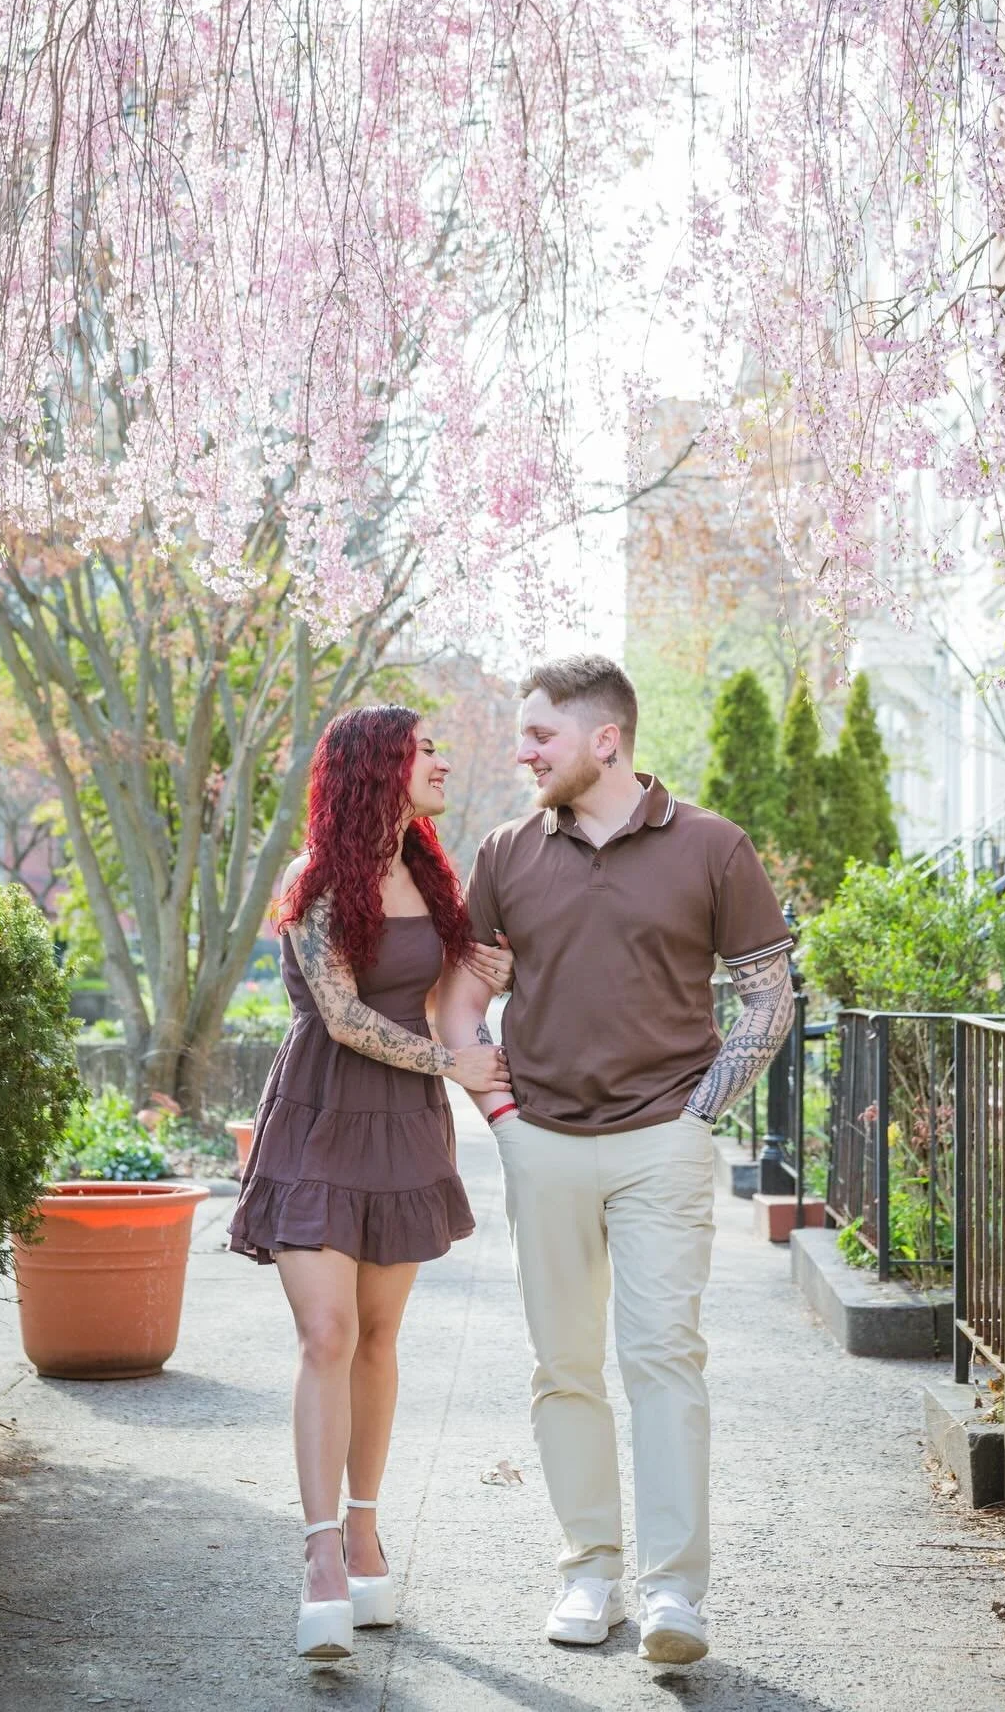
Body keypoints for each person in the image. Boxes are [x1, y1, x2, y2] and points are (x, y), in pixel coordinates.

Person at [437, 653, 795, 1667]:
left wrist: (700, 1112)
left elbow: (770, 993)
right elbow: (463, 993)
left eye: (540, 733)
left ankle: (676, 1591)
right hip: (540, 1139)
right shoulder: (507, 850)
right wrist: (497, 1107)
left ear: (606, 739)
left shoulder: (713, 845)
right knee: (564, 1367)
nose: (522, 750)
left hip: (659, 1145)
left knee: (664, 1358)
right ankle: (587, 1571)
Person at [228, 705, 515, 1662]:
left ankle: (362, 1529)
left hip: (403, 1132)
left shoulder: (435, 877)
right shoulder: (316, 881)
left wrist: (485, 998)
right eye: (424, 747)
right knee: (328, 1332)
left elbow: (438, 999)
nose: (441, 758)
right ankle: (318, 1559)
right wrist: (453, 1065)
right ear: (374, 769)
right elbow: (345, 1016)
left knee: (380, 1338)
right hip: (318, 1117)